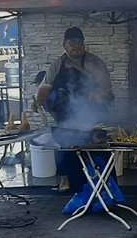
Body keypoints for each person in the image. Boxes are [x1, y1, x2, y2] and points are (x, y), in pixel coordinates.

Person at [36, 27, 113, 191]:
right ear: (64, 45)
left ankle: (97, 182)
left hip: (92, 115)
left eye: (79, 43)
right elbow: (45, 87)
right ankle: (66, 180)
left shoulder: (94, 63)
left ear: (84, 45)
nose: (76, 47)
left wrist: (97, 95)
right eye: (72, 44)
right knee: (65, 147)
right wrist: (39, 101)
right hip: (65, 115)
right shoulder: (58, 64)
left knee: (92, 149)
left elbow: (107, 90)